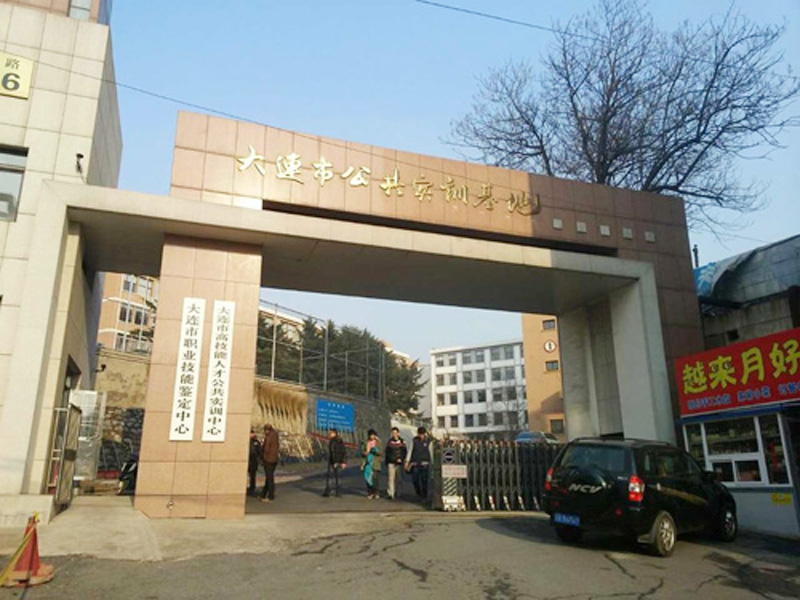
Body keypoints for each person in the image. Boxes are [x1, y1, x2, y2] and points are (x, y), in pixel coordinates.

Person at [405, 427, 432, 500]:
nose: (421, 436)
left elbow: (430, 452)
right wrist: (407, 461)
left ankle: (424, 496)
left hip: (425, 463)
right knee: (415, 479)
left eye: (422, 434)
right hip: (415, 463)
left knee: (424, 480)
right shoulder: (414, 440)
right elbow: (410, 451)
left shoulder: (428, 441)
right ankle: (419, 492)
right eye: (420, 434)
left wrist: (431, 462)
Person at [323, 428, 347, 497]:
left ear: (334, 433)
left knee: (330, 476)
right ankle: (338, 492)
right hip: (339, 461)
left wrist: (335, 462)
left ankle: (328, 491)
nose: (329, 434)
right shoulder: (340, 441)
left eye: (330, 433)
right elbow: (344, 452)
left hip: (333, 461)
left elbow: (333, 452)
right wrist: (343, 462)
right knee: (337, 476)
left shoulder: (333, 442)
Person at [384, 427, 407, 500]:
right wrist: (387, 461)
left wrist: (401, 459)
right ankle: (391, 493)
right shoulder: (389, 442)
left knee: (399, 478)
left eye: (395, 433)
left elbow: (404, 452)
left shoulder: (402, 442)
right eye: (393, 433)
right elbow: (387, 452)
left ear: (398, 433)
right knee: (391, 478)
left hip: (399, 463)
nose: (394, 434)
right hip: (391, 462)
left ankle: (399, 492)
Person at [360, 429, 383, 499]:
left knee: (375, 479)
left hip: (375, 462)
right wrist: (365, 453)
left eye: (373, 435)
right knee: (367, 478)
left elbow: (380, 452)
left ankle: (376, 492)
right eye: (371, 435)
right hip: (368, 462)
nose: (372, 436)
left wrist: (374, 450)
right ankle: (370, 492)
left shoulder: (378, 442)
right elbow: (362, 452)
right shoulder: (366, 443)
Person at [260, 424, 279, 502]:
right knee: (269, 477)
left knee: (269, 478)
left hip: (268, 459)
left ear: (267, 430)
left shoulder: (269, 437)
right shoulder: (276, 435)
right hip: (274, 459)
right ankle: (263, 494)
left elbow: (266, 448)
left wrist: (263, 456)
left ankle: (271, 495)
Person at [247, 430, 262, 496]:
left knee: (252, 475)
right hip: (250, 459)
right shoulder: (251, 441)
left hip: (253, 460)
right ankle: (251, 487)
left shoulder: (255, 442)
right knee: (251, 475)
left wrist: (259, 458)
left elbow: (259, 451)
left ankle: (252, 487)